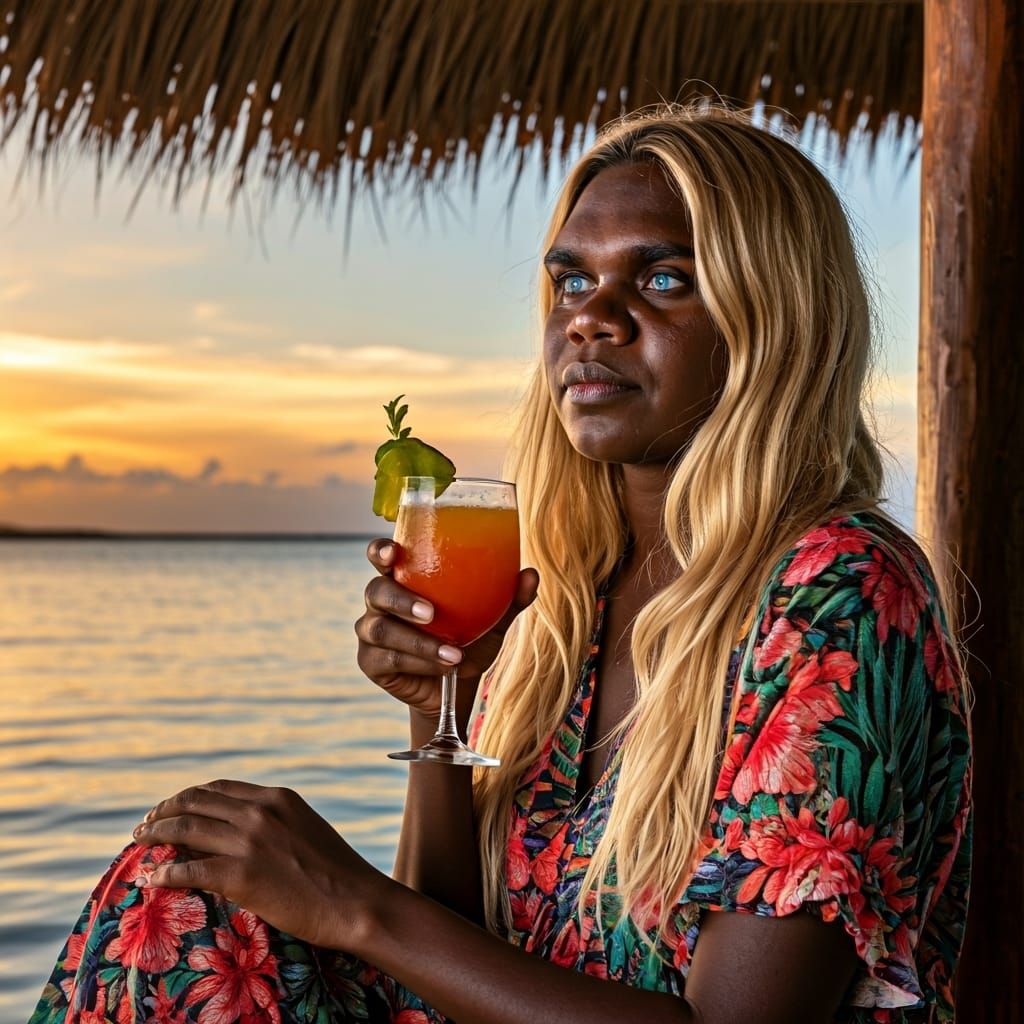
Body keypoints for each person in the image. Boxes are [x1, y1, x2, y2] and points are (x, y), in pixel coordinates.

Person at [30, 104, 971, 1024]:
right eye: (570, 282)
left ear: (776, 317)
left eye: (664, 280)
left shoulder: (838, 594)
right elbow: (444, 966)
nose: (592, 318)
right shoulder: (566, 591)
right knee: (177, 883)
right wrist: (438, 711)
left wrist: (352, 904)